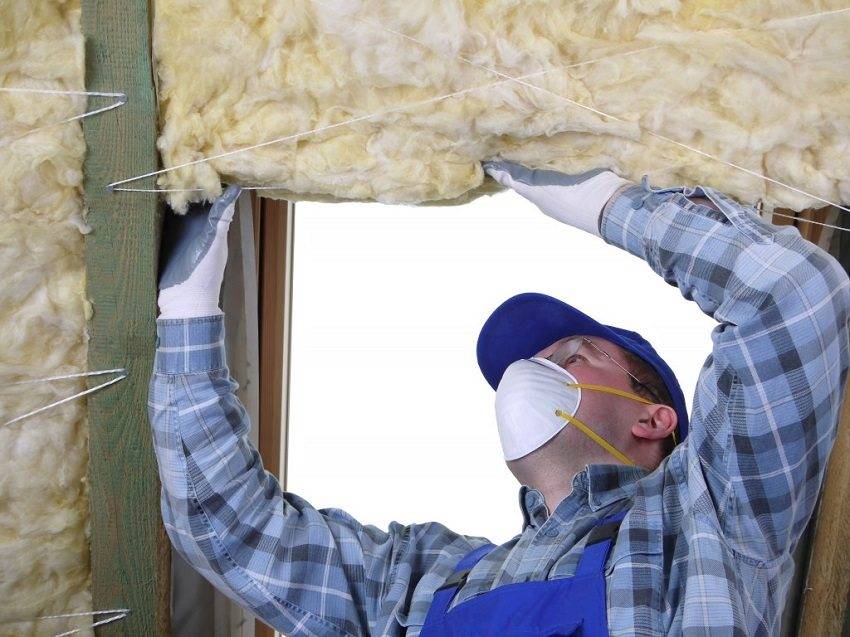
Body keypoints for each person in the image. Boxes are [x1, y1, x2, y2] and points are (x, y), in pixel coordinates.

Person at [148, 163, 850, 636]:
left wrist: (607, 202)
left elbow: (791, 295)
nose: (532, 368)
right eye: (529, 365)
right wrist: (187, 312)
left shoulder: (714, 511)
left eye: (573, 356)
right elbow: (232, 529)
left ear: (653, 417)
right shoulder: (422, 584)